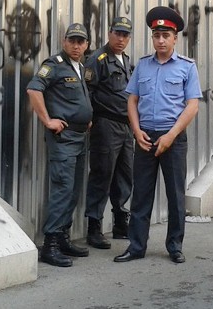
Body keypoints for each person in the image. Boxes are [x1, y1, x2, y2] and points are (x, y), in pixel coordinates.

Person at [115, 6, 202, 264]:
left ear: (175, 38)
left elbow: (192, 106)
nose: (161, 40)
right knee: (141, 194)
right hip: (145, 137)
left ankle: (174, 246)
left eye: (166, 35)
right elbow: (132, 100)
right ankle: (136, 246)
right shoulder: (143, 66)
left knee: (175, 195)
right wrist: (136, 131)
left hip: (173, 138)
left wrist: (171, 135)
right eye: (156, 36)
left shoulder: (187, 67)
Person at [27, 22, 93, 267]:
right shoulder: (54, 65)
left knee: (73, 190)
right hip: (64, 139)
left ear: (86, 45)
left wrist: (86, 118)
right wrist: (48, 120)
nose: (76, 46)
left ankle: (63, 237)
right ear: (64, 42)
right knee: (62, 189)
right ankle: (51, 245)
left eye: (80, 42)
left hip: (80, 138)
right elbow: (34, 90)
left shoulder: (81, 67)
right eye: (72, 41)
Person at [83, 16, 135, 249]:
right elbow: (87, 92)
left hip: (126, 126)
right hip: (106, 125)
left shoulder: (126, 60)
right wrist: (90, 119)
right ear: (109, 33)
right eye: (117, 34)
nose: (121, 39)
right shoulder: (98, 59)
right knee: (102, 174)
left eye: (125, 35)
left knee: (125, 175)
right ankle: (94, 228)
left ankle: (120, 223)